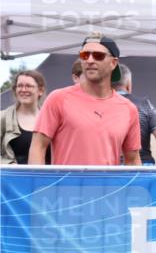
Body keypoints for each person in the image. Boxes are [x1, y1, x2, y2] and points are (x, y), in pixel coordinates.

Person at [29, 34, 140, 166]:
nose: (90, 60)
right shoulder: (58, 99)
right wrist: (38, 179)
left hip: (108, 181)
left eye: (98, 55)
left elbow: (133, 160)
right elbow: (38, 148)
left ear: (113, 63)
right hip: (65, 180)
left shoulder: (128, 109)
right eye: (84, 55)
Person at [112, 63, 156, 166]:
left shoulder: (100, 106)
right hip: (143, 168)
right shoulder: (144, 105)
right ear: (128, 85)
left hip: (110, 168)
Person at [2, 70, 49, 164]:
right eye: (20, 86)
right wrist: (8, 164)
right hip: (12, 173)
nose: (23, 90)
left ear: (40, 91)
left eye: (28, 86)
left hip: (47, 173)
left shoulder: (51, 118)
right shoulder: (3, 118)